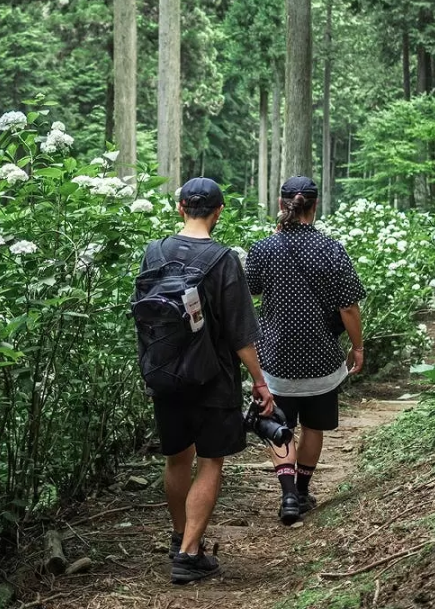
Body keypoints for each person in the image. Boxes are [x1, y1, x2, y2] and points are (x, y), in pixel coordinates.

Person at [139, 177, 274, 585]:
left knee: (177, 456)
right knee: (210, 459)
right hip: (211, 377)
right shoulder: (224, 259)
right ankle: (187, 555)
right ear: (218, 212)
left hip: (163, 372)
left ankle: (183, 537)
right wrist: (261, 383)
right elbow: (240, 332)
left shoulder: (154, 251)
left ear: (180, 207)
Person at [244, 175, 365, 525]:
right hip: (321, 360)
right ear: (315, 205)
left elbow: (249, 293)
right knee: (314, 427)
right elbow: (348, 308)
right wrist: (357, 347)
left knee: (279, 426)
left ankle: (287, 498)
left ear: (282, 205)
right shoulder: (332, 249)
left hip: (275, 358)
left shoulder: (263, 248)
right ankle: (301, 490)